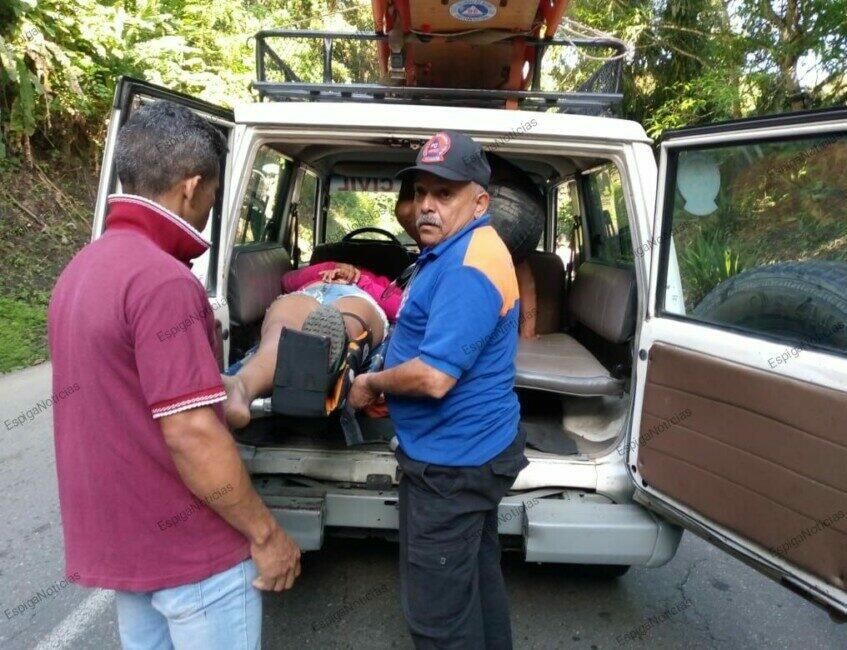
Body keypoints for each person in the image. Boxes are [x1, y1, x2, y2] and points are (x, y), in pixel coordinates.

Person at [48, 101, 300, 649]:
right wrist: (266, 534)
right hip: (194, 556)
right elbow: (192, 434)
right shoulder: (163, 282)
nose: (211, 205)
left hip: (131, 547)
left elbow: (123, 403)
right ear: (191, 187)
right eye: (214, 192)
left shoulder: (81, 270)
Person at [349, 130, 527, 649]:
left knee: (437, 618)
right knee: (476, 582)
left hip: (451, 469)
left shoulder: (470, 266)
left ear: (480, 203)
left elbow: (434, 377)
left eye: (445, 193)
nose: (427, 205)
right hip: (470, 455)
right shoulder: (455, 248)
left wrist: (372, 383)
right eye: (421, 191)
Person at [223, 258, 404, 429]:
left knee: (344, 322)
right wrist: (330, 268)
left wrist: (360, 279)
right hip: (310, 293)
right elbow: (287, 280)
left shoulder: (378, 281)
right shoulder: (325, 268)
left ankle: (332, 346)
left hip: (357, 296)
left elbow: (402, 307)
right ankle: (240, 387)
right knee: (280, 331)